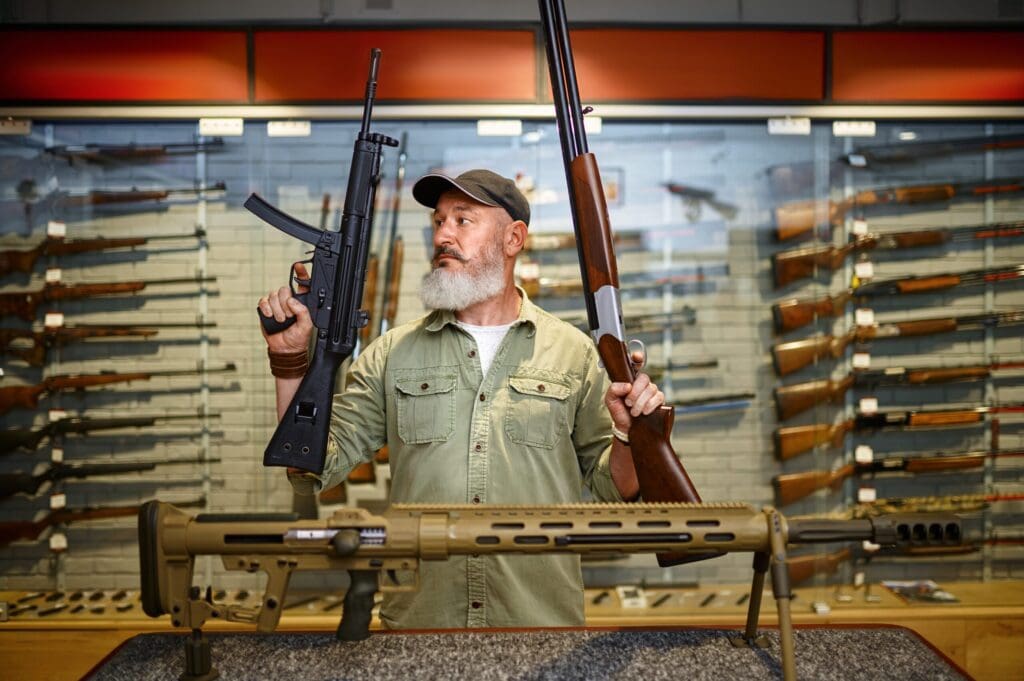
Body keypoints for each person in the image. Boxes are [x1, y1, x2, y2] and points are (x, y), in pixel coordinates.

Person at [258, 169, 665, 629]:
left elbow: (617, 489)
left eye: (462, 220)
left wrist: (630, 435)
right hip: (421, 630)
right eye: (438, 221)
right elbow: (310, 468)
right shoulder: (392, 354)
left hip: (539, 630)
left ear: (513, 239)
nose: (442, 235)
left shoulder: (571, 353)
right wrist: (290, 361)